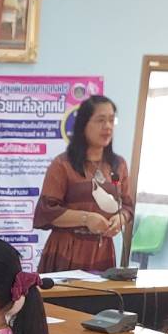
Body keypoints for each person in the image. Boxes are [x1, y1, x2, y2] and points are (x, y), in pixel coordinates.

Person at [33, 95, 135, 274]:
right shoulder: (62, 164)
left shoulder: (118, 165)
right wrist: (86, 219)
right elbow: (47, 211)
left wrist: (120, 219)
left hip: (102, 251)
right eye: (100, 120)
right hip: (67, 249)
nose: (108, 126)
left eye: (112, 120)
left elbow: (127, 206)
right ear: (83, 125)